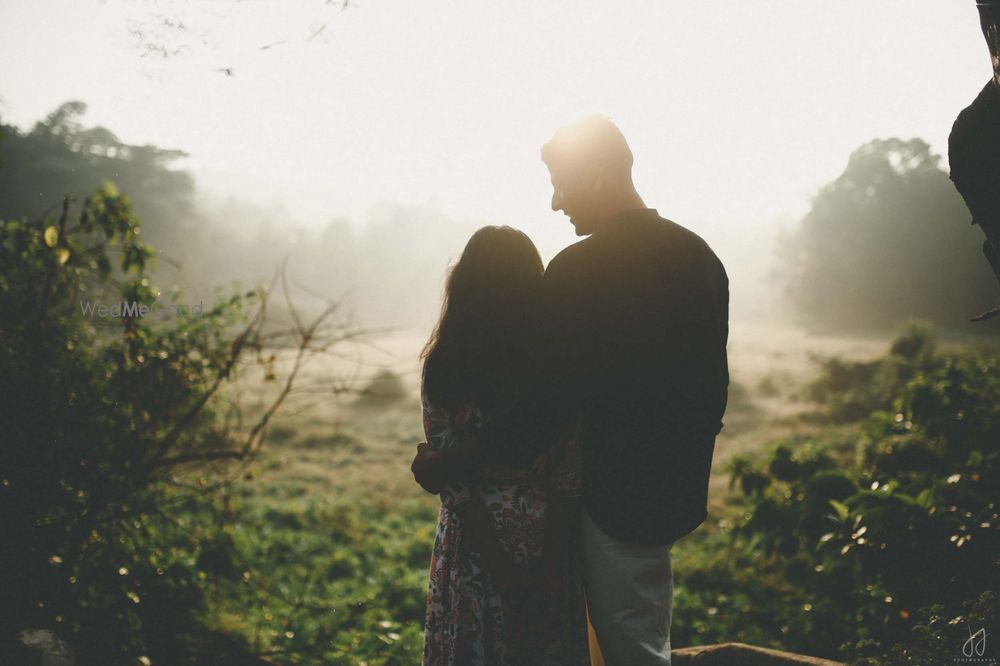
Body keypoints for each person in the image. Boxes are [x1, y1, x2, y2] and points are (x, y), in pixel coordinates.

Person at [412, 115, 729, 666]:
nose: (556, 203)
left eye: (561, 183)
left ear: (600, 177)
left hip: (602, 501)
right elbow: (711, 392)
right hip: (665, 495)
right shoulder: (699, 257)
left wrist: (455, 458)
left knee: (627, 649)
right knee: (632, 639)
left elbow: (543, 409)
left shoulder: (578, 271)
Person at [417, 225, 590, 666]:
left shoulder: (444, 368)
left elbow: (450, 482)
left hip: (471, 546)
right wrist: (550, 568)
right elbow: (569, 475)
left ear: (466, 285)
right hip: (543, 535)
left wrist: (500, 571)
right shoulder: (556, 366)